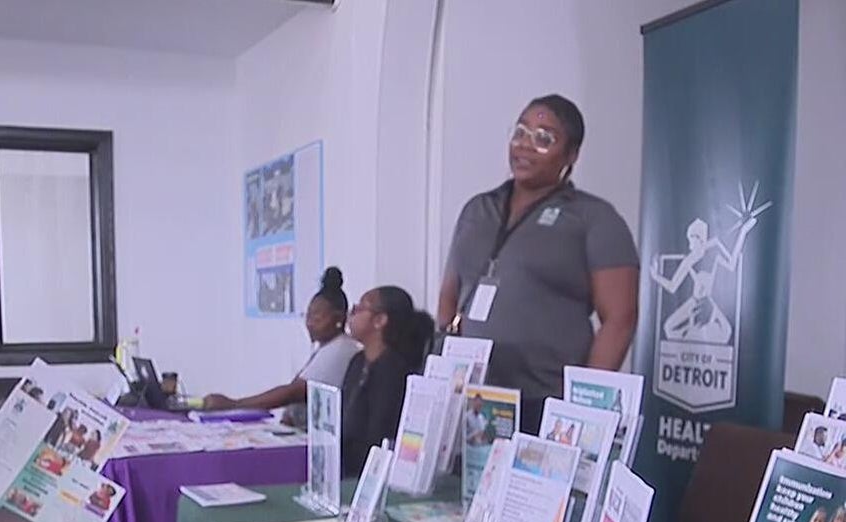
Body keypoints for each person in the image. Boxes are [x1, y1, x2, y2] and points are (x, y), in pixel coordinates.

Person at [437, 95, 639, 434]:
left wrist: (580, 408)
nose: (525, 145)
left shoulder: (594, 218)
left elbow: (621, 318)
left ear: (571, 155)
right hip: (471, 396)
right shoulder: (478, 209)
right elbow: (450, 291)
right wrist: (450, 362)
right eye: (520, 132)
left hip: (545, 401)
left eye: (544, 138)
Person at [205, 267, 360, 423]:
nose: (309, 323)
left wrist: (234, 405)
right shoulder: (328, 346)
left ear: (338, 318)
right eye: (307, 316)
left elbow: (294, 392)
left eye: (317, 318)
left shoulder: (341, 349)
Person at [341, 286, 435, 477]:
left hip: (372, 471)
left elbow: (378, 434)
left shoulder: (393, 370)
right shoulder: (357, 361)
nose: (352, 313)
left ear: (380, 320)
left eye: (360, 308)